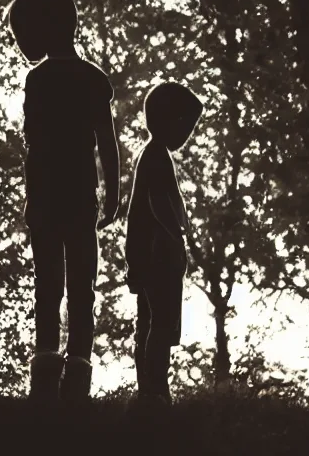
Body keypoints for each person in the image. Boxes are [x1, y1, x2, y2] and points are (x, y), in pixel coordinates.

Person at [6, 0, 119, 401]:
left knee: (48, 285)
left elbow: (34, 147)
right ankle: (76, 376)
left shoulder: (37, 81)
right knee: (80, 286)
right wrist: (113, 192)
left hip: (49, 198)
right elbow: (106, 143)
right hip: (78, 196)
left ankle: (47, 374)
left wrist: (32, 199)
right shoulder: (92, 79)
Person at [125, 81, 202, 402]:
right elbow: (158, 204)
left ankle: (151, 391)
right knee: (160, 323)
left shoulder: (153, 155)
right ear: (170, 120)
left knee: (150, 322)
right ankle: (155, 390)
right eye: (186, 124)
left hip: (151, 255)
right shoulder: (156, 156)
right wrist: (178, 235)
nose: (188, 134)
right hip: (159, 256)